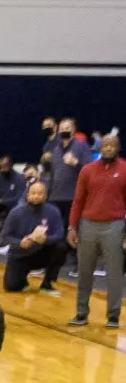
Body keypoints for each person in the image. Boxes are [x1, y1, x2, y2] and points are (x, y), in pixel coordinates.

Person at [68, 133, 125, 329]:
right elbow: (78, 200)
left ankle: (113, 316)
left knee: (114, 273)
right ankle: (81, 313)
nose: (108, 148)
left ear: (118, 148)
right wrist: (72, 226)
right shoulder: (87, 170)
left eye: (112, 145)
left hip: (115, 225)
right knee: (84, 271)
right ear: (100, 148)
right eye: (105, 145)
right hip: (88, 225)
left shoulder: (125, 169)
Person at [0, 180, 68, 293]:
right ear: (27, 195)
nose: (36, 196)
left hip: (42, 252)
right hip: (20, 254)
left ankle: (47, 283)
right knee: (12, 287)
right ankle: (21, 277)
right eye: (33, 193)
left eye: (40, 193)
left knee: (61, 248)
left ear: (45, 196)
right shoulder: (15, 213)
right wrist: (19, 242)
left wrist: (46, 239)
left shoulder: (53, 212)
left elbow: (59, 234)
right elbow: (5, 236)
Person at [43, 118, 91, 227]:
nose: (64, 130)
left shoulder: (82, 145)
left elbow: (90, 171)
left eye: (68, 128)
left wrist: (76, 163)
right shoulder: (55, 149)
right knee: (56, 229)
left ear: (73, 130)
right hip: (54, 197)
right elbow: (51, 173)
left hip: (73, 197)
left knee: (72, 229)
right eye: (62, 128)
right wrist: (47, 190)